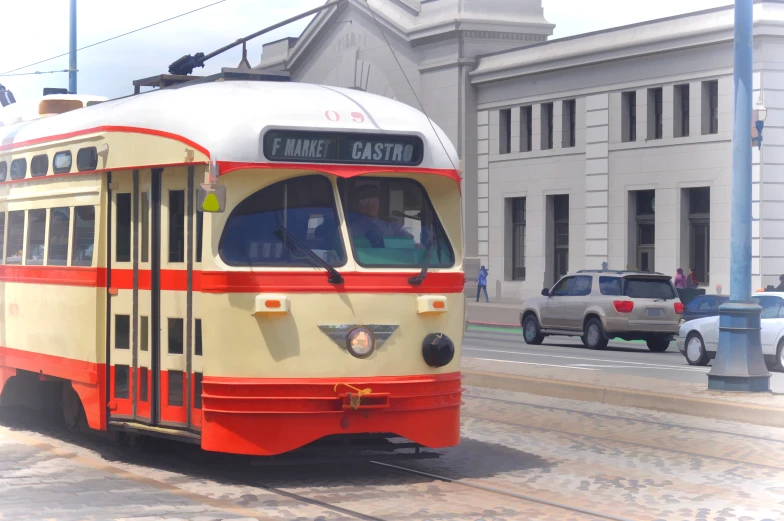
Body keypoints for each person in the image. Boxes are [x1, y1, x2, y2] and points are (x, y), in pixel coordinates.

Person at [348, 185, 413, 248]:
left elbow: (410, 241)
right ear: (356, 205)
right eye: (364, 201)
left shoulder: (391, 224)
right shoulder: (351, 228)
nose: (370, 205)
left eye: (374, 200)